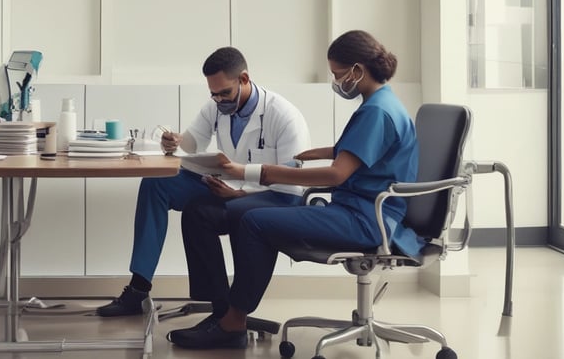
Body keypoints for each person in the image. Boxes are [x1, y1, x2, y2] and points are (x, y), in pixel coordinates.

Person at [167, 30, 424, 349]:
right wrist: (321, 151)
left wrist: (263, 172)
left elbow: (336, 175)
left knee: (254, 222)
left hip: (365, 219)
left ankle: (232, 323)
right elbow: (364, 152)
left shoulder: (376, 111)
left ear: (357, 70)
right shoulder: (383, 103)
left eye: (337, 74)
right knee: (242, 218)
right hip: (360, 210)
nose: (336, 82)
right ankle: (229, 316)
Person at [96, 46, 311, 316]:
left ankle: (224, 313)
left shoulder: (284, 115)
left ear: (244, 79)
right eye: (213, 94)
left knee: (199, 213)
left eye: (225, 93)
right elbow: (193, 142)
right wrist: (175, 141)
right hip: (227, 186)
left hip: (274, 196)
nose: (219, 100)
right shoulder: (216, 106)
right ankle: (139, 289)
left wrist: (240, 194)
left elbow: (292, 183)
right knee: (156, 183)